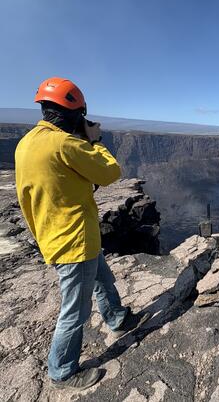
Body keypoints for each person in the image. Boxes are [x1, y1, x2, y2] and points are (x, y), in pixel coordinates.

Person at [15, 77, 150, 390]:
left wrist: (41, 237)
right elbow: (110, 172)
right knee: (74, 311)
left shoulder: (27, 143)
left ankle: (117, 317)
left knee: (102, 277)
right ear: (75, 114)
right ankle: (62, 371)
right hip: (73, 238)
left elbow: (25, 197)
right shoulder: (65, 144)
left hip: (55, 234)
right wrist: (95, 140)